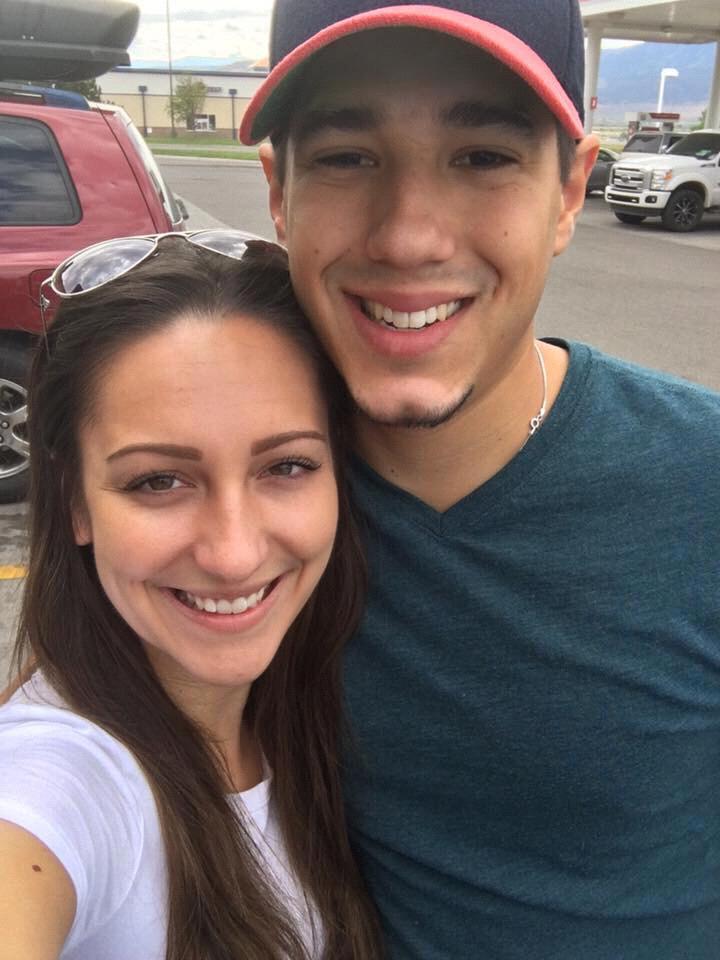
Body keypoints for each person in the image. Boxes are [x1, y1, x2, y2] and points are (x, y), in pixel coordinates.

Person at [240, 2, 720, 957]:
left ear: (570, 193)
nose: (408, 238)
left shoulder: (699, 484)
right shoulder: (232, 494)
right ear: (278, 193)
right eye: (347, 156)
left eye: (484, 157)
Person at [0, 233, 382, 960]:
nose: (234, 555)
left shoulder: (306, 709)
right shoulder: (62, 779)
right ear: (76, 502)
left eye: (287, 466)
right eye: (158, 481)